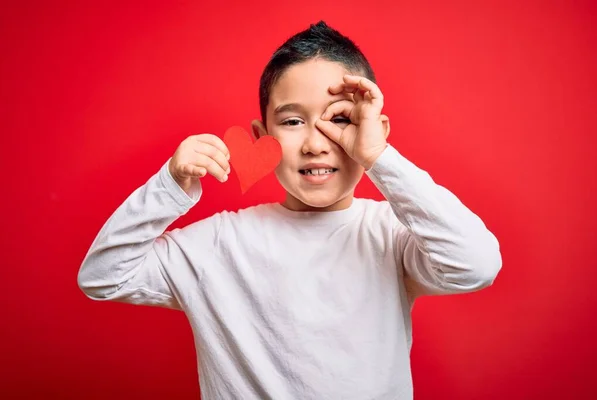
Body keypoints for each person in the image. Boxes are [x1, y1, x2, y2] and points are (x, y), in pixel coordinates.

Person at [77, 20, 502, 400]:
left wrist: (380, 157)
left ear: (374, 128)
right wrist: (169, 185)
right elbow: (103, 276)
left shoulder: (390, 235)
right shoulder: (219, 243)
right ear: (263, 136)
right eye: (293, 121)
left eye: (339, 119)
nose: (316, 143)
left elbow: (476, 264)